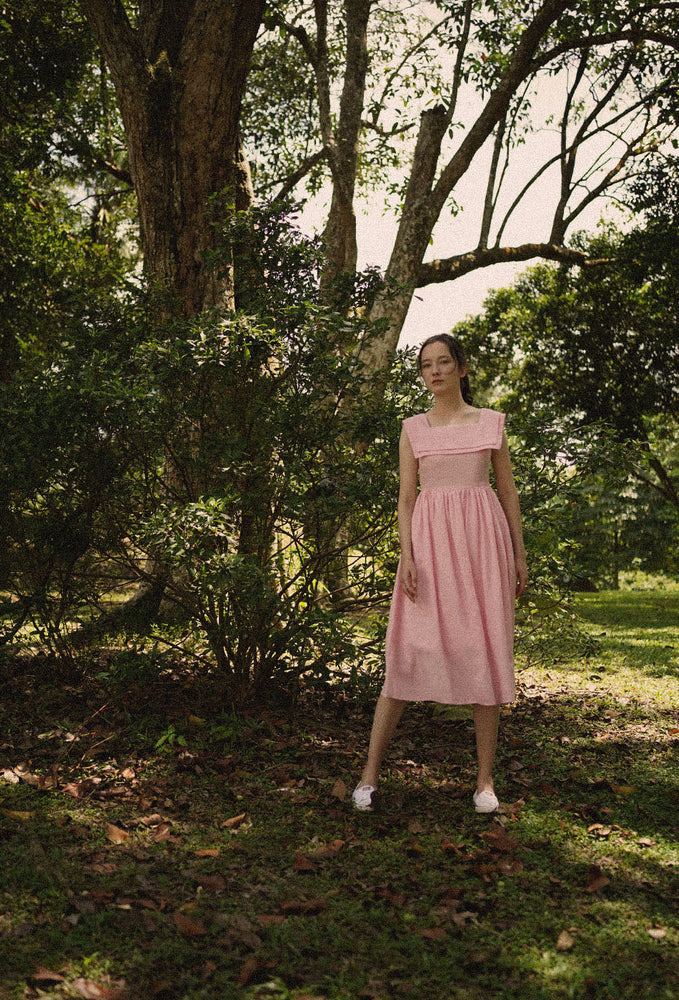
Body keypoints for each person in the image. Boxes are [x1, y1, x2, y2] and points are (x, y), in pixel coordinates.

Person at [353, 334, 528, 814]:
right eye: (427, 365)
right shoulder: (412, 428)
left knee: (484, 650)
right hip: (429, 549)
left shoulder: (491, 423)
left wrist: (518, 553)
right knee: (406, 653)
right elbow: (406, 498)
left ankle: (485, 782)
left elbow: (507, 492)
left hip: (482, 546)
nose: (435, 371)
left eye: (444, 362)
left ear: (462, 368)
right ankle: (368, 777)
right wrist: (406, 555)